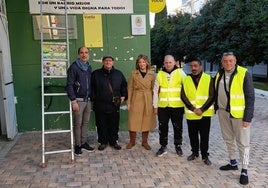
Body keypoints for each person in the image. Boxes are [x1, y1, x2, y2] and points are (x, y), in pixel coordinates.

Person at [215, 52, 255, 185]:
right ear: (222, 62)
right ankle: (233, 162)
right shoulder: (219, 74)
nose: (228, 63)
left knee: (243, 143)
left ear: (235, 61)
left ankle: (244, 169)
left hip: (240, 115)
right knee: (228, 139)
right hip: (223, 113)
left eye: (230, 61)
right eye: (225, 61)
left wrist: (248, 117)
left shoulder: (244, 74)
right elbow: (215, 93)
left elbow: (250, 96)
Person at [181, 59, 214, 165]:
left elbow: (212, 96)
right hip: (191, 113)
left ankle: (205, 155)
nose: (193, 68)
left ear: (201, 66)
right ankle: (194, 153)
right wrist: (193, 108)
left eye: (195, 66)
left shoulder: (208, 78)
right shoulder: (186, 79)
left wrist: (202, 109)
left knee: (205, 136)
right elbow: (183, 96)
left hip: (205, 114)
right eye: (191, 66)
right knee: (192, 135)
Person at [91, 55, 127, 151]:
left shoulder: (119, 74)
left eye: (110, 61)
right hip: (100, 104)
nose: (108, 62)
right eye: (106, 61)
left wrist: (123, 96)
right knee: (101, 124)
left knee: (114, 124)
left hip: (114, 105)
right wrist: (95, 98)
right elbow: (91, 88)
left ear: (113, 62)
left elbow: (124, 86)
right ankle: (103, 142)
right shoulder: (96, 74)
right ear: (103, 62)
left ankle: (113, 141)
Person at [153, 55, 186, 157]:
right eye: (166, 62)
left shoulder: (181, 73)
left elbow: (186, 89)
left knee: (178, 127)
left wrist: (186, 106)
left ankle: (178, 145)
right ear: (164, 63)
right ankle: (163, 146)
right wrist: (155, 106)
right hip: (163, 106)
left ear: (174, 63)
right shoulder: (160, 74)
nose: (168, 64)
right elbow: (155, 91)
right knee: (162, 127)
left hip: (177, 106)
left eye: (170, 62)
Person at [66, 46, 95, 156]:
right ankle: (77, 145)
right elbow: (69, 85)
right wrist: (73, 101)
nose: (84, 55)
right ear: (78, 55)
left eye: (86, 53)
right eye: (82, 53)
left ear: (88, 55)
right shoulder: (74, 67)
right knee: (77, 124)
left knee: (85, 123)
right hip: (78, 100)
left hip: (87, 99)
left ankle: (83, 143)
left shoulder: (88, 67)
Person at [126, 54, 156, 150]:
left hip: (148, 98)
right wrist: (129, 102)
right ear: (137, 64)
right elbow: (129, 88)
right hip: (136, 98)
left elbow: (154, 89)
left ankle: (144, 142)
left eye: (143, 62)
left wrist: (154, 103)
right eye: (139, 62)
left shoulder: (152, 74)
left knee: (146, 121)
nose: (141, 64)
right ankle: (132, 141)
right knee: (133, 120)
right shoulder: (133, 74)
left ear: (147, 63)